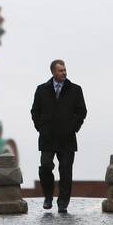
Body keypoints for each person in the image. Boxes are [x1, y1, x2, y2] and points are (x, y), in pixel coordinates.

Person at [30, 59, 87, 213]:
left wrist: (73, 127)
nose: (64, 73)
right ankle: (48, 197)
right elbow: (35, 111)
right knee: (45, 167)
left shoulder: (75, 90)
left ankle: (63, 202)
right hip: (47, 138)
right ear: (53, 72)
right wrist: (40, 127)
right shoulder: (42, 90)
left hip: (67, 138)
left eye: (65, 70)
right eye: (61, 70)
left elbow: (82, 111)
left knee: (66, 171)